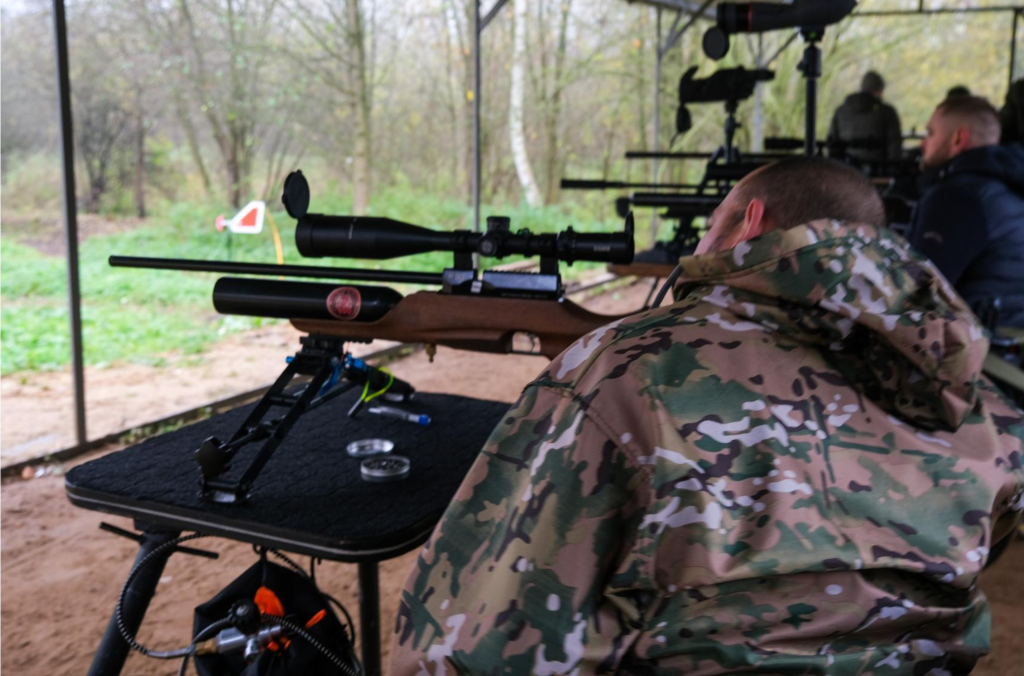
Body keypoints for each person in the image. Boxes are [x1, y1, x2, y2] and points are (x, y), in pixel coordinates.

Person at [391, 157, 1024, 676]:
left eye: (709, 225)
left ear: (748, 223)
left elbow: (474, 639)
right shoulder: (977, 397)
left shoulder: (627, 370)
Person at [909, 95, 1024, 329]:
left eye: (930, 133)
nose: (923, 143)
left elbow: (918, 294)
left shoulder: (956, 195)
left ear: (959, 138)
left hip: (985, 350)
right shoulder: (1010, 184)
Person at [828, 70, 902, 163]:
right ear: (879, 91)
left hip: (847, 170)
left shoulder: (840, 111)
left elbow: (832, 145)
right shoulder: (887, 112)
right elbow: (894, 145)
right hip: (877, 171)